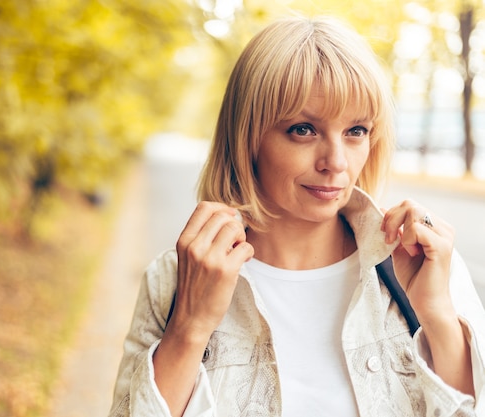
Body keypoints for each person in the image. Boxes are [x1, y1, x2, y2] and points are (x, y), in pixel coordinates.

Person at [108, 15, 485, 417]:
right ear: (248, 137)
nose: (336, 162)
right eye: (304, 129)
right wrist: (190, 328)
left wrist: (438, 315)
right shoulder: (175, 279)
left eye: (355, 130)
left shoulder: (427, 265)